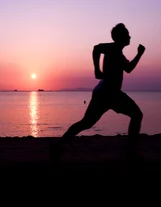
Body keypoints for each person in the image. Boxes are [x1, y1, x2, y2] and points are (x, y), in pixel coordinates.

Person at [50, 23, 146, 160]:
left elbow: (129, 68)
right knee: (136, 115)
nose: (130, 36)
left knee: (86, 123)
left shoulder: (118, 53)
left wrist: (139, 54)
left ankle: (58, 146)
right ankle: (131, 153)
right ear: (121, 37)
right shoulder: (112, 48)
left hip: (107, 92)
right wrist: (96, 69)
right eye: (127, 34)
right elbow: (96, 48)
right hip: (107, 93)